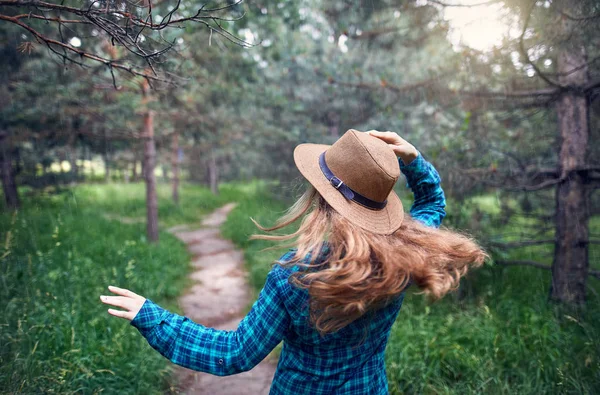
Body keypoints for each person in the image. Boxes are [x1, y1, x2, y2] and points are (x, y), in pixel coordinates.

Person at [100, 129, 487, 394]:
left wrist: (150, 316)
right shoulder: (405, 256)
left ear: (321, 198)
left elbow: (233, 353)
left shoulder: (294, 277)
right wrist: (415, 161)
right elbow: (432, 204)